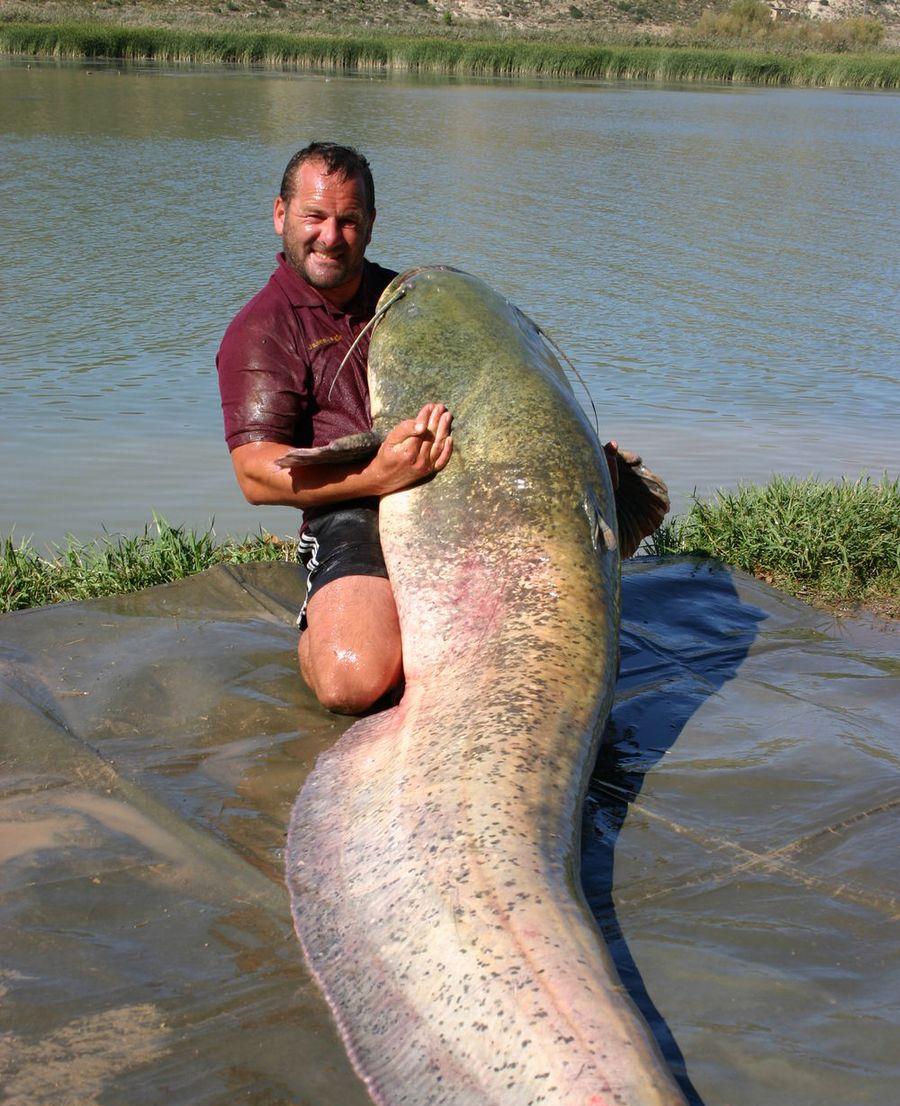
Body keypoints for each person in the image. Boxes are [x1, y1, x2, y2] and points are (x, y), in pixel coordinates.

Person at [218, 142, 664, 716]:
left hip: (460, 488)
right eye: (314, 217)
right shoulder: (262, 330)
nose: (330, 236)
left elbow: (507, 382)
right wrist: (378, 476)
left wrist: (565, 450)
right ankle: (320, 628)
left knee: (547, 658)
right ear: (280, 214)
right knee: (352, 680)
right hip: (353, 507)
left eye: (348, 220)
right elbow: (256, 475)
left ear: (371, 224)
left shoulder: (412, 301)